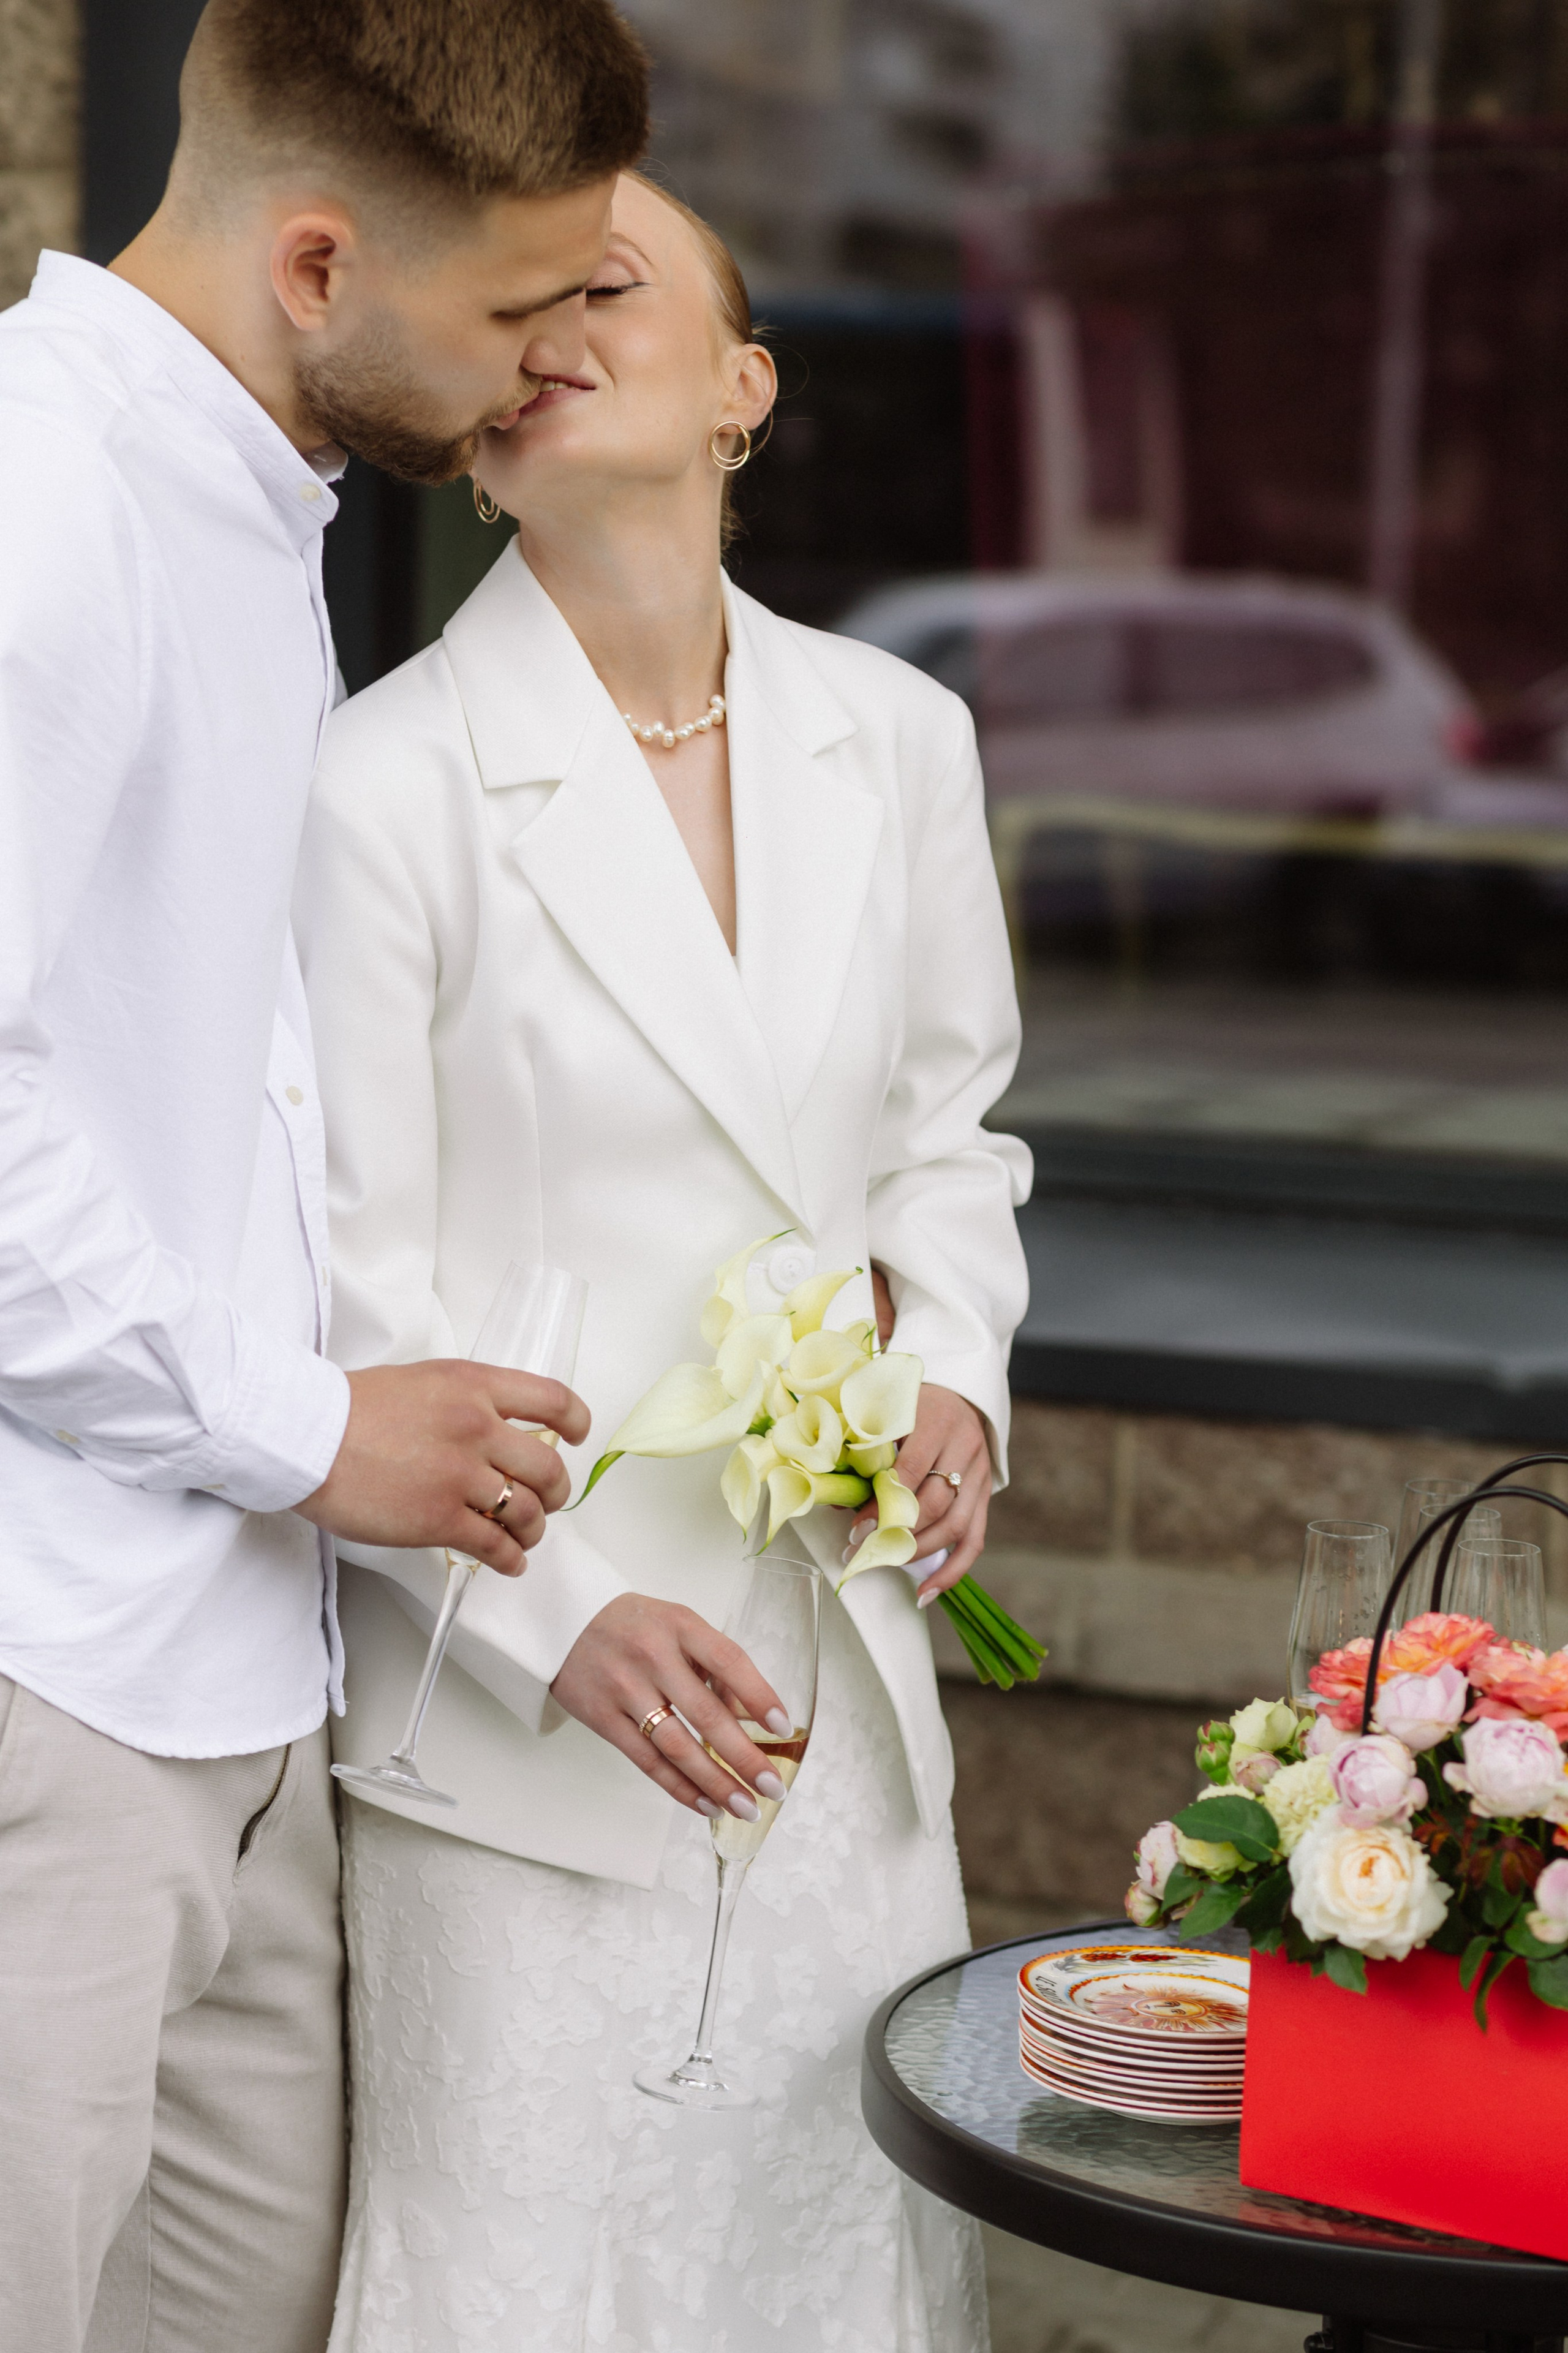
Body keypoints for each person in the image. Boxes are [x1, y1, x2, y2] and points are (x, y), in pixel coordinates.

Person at [296, 170, 1032, 2351]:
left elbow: (947, 1143)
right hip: (527, 1742)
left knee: (829, 2272)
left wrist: (958, 1378)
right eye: (516, 294)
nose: (550, 323)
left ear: (745, 388)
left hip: (835, 1710)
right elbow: (350, 1300)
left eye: (606, 285)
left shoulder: (901, 740)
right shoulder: (385, 782)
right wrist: (552, 1614)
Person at [0, 4, 652, 2347]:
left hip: (235, 1696)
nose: (551, 365)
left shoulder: (251, 504)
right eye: (515, 311)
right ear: (312, 260)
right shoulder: (43, 501)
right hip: (48, 1689)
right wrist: (316, 1431)